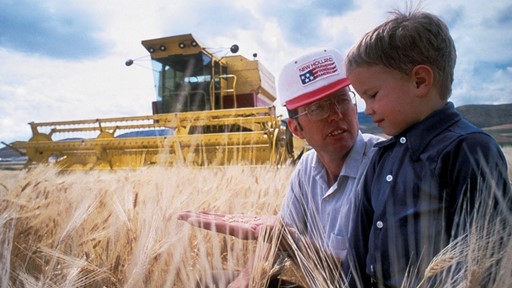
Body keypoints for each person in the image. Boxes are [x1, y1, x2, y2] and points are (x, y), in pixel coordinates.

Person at [178, 48, 383, 287]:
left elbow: (372, 277)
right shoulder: (307, 167)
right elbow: (278, 236)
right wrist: (245, 281)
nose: (336, 115)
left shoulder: (384, 166)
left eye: (342, 99)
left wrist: (289, 240)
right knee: (211, 280)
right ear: (296, 129)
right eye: (318, 108)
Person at [343, 8, 512, 288]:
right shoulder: (381, 158)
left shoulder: (468, 150)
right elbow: (358, 250)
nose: (367, 110)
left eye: (372, 95)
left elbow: (484, 258)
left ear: (420, 81)